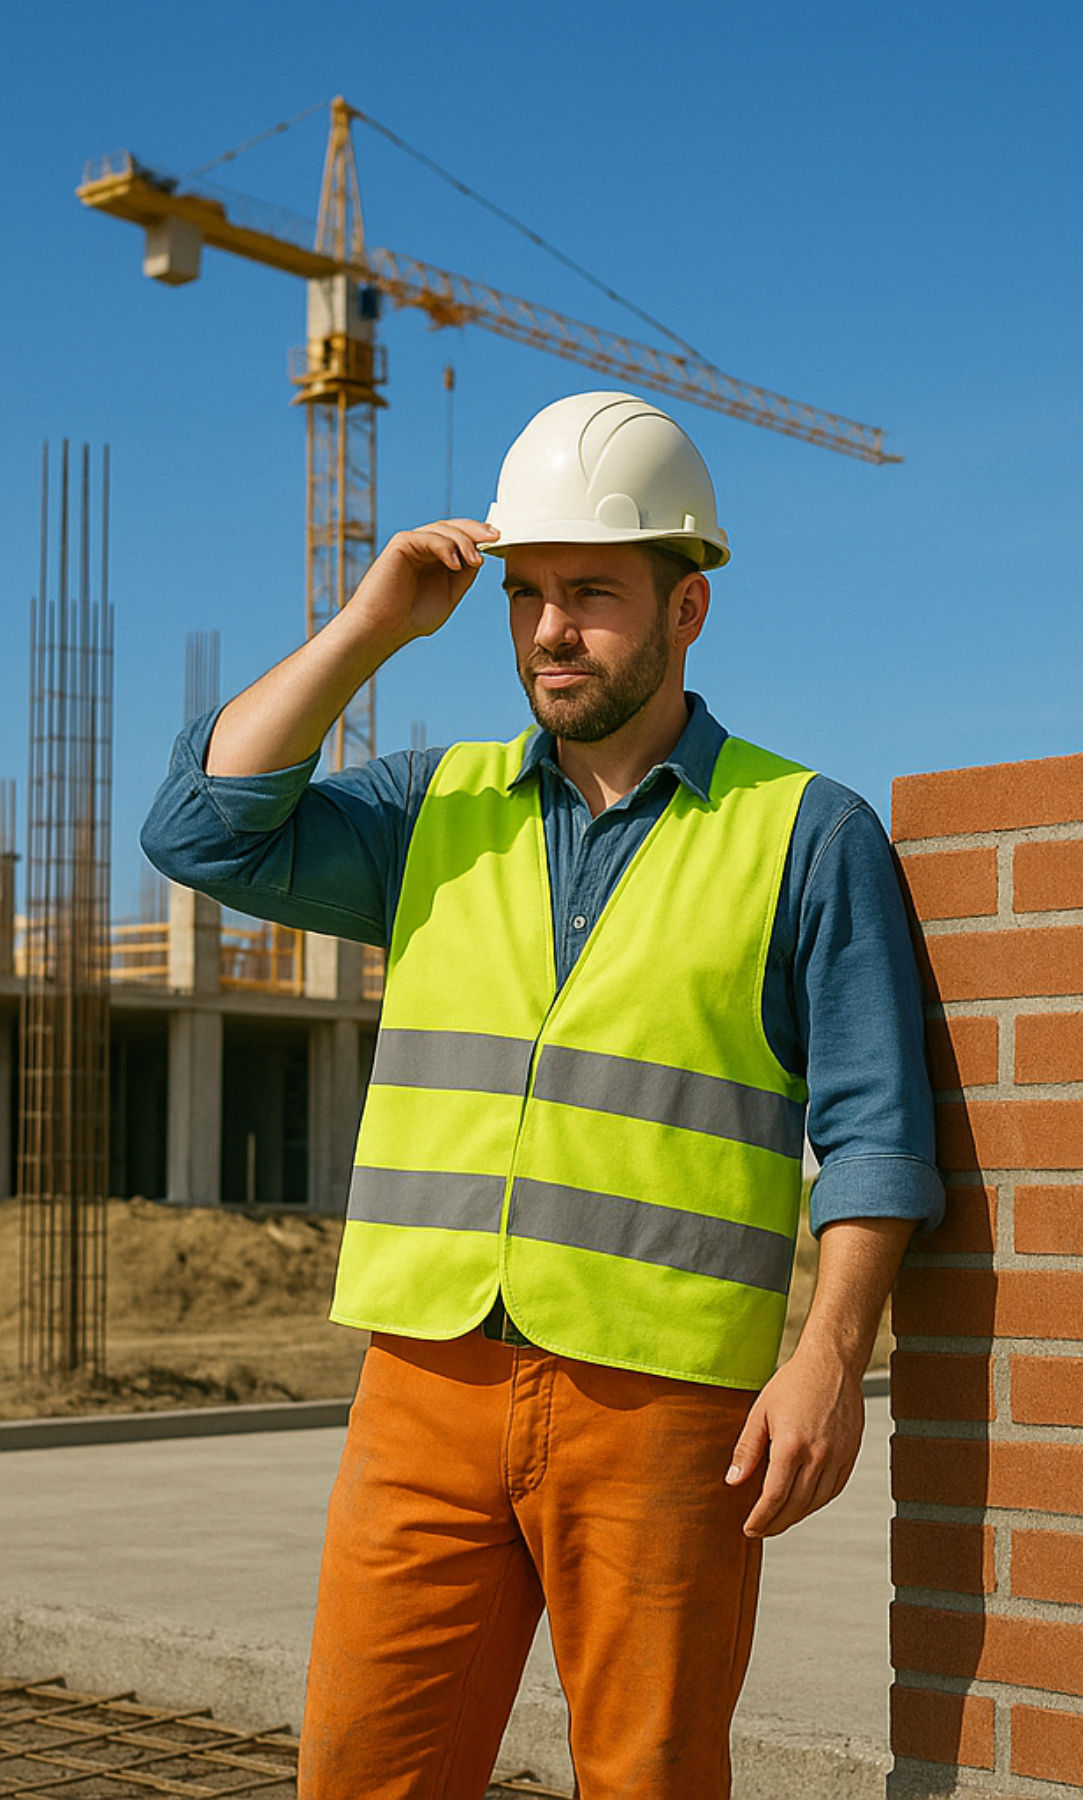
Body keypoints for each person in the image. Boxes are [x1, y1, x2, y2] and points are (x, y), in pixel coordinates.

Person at [141, 390, 943, 1799]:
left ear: (688, 608)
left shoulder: (805, 832)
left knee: (648, 1776)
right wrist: (375, 620)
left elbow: (876, 1127)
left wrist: (829, 1358)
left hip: (664, 1407)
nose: (550, 632)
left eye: (592, 594)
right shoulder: (426, 812)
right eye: (524, 596)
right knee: (365, 1771)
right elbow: (200, 829)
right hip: (422, 1381)